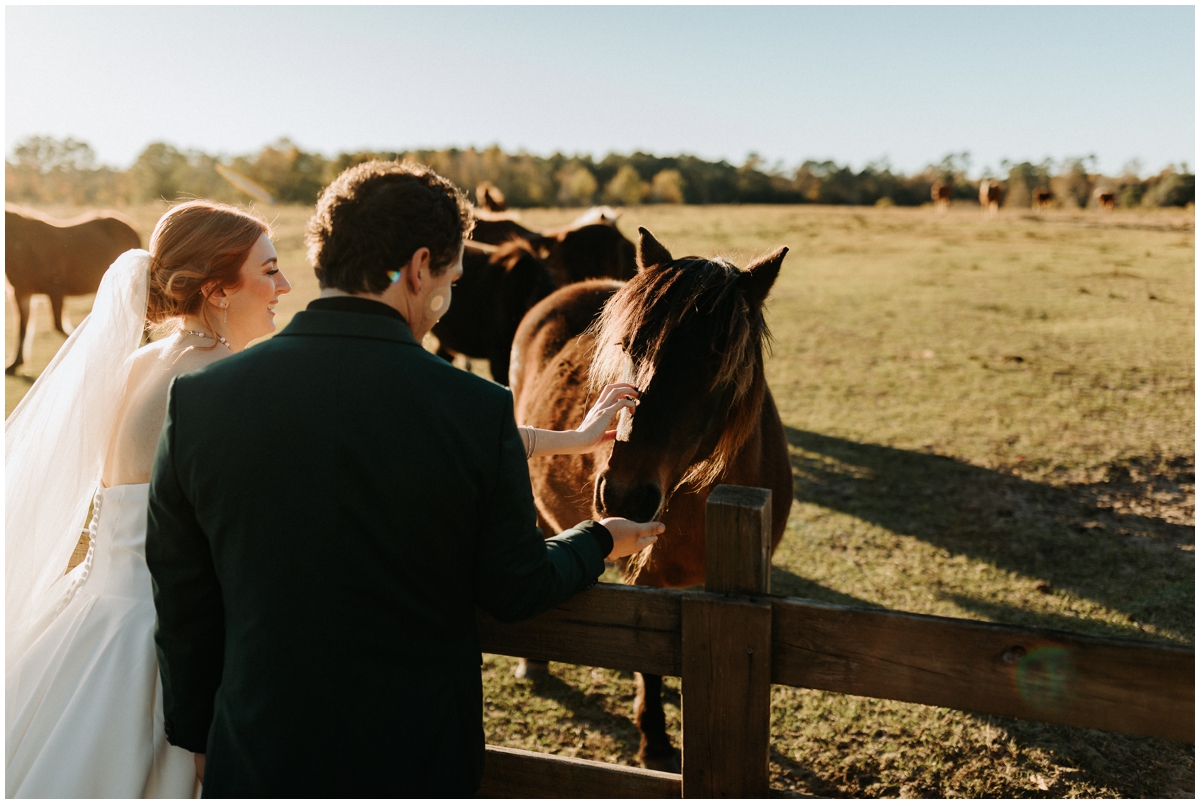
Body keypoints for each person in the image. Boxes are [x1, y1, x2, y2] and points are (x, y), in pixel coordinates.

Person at [145, 160, 663, 797]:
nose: (443, 302)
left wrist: (199, 737)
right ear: (420, 269)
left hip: (257, 749)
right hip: (416, 757)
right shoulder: (474, 409)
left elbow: (183, 598)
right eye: (450, 280)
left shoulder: (200, 401)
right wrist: (599, 540)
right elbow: (514, 584)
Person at [5, 200, 292, 797]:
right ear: (217, 289)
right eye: (268, 270)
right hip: (165, 636)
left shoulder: (137, 363)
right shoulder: (218, 382)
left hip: (90, 620)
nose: (284, 285)